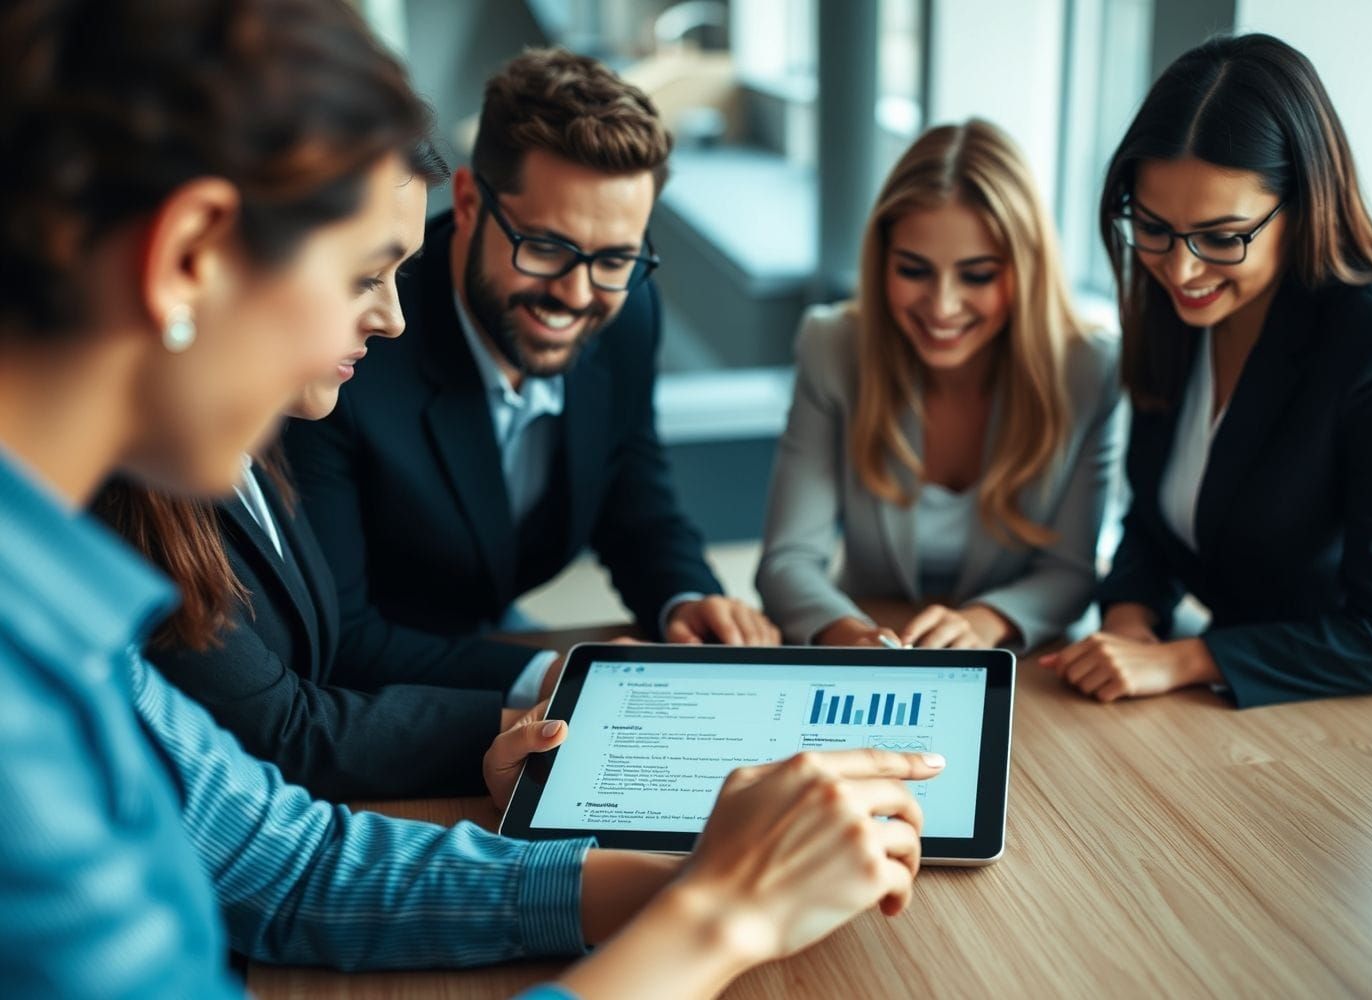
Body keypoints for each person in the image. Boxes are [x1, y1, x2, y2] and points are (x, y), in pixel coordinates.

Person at [0, 3, 938, 996]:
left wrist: (690, 880)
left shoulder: (77, 632)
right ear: (190, 254)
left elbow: (286, 862)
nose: (391, 315)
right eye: (362, 272)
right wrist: (717, 920)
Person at [1037, 34, 1372, 741]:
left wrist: (1184, 659)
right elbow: (1159, 525)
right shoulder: (1170, 314)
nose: (1182, 270)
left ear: (1305, 205)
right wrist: (1130, 622)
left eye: (1222, 237)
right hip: (1242, 701)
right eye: (1154, 228)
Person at [91, 139, 563, 801]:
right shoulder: (115, 492)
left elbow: (323, 658)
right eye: (365, 277)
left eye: (399, 277)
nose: (395, 320)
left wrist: (540, 697)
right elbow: (275, 731)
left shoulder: (267, 430)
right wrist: (521, 725)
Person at [282, 47, 779, 658]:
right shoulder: (350, 349)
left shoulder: (627, 314)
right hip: (381, 674)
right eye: (545, 247)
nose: (575, 295)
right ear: (467, 203)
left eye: (614, 259)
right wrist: (556, 676)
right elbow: (347, 639)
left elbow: (634, 494)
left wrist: (687, 598)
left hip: (497, 634)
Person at [757, 119, 1121, 651]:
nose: (942, 306)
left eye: (976, 275)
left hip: (1017, 667)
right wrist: (853, 636)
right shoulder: (831, 346)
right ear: (882, 260)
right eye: (913, 270)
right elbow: (787, 561)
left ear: (1026, 270)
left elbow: (1068, 574)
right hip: (868, 645)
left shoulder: (1088, 369)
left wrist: (983, 622)